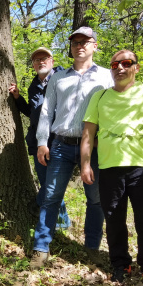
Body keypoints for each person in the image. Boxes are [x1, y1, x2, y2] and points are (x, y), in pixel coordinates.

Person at [80, 50, 143, 286]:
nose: (119, 67)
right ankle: (121, 264)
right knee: (114, 220)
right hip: (109, 168)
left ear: (136, 67)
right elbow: (88, 133)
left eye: (126, 63)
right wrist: (86, 164)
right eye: (114, 64)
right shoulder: (99, 97)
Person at [32, 27, 113, 268]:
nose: (80, 46)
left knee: (95, 199)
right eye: (75, 42)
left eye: (85, 42)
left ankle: (91, 248)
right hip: (60, 146)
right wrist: (42, 142)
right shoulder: (59, 77)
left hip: (95, 148)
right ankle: (40, 247)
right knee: (51, 196)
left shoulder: (107, 77)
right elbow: (46, 111)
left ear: (94, 46)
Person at [9, 46, 71, 227]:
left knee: (52, 186)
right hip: (38, 143)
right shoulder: (34, 86)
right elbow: (32, 112)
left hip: (60, 142)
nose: (40, 62)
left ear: (52, 61)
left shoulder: (63, 79)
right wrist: (18, 98)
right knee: (47, 183)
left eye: (44, 58)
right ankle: (63, 222)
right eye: (36, 60)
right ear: (34, 66)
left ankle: (44, 211)